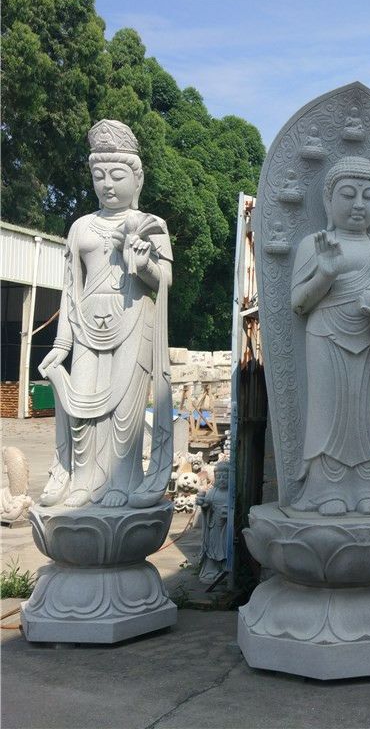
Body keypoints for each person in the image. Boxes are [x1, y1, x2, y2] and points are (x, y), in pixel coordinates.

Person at [39, 119, 173, 509]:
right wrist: (61, 344)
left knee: (123, 414)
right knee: (80, 411)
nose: (107, 185)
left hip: (133, 320)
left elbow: (164, 280)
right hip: (85, 324)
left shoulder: (151, 225)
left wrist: (142, 262)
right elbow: (70, 288)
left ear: (137, 179)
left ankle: (122, 481)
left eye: (117, 175)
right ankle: (82, 482)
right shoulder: (80, 227)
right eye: (99, 176)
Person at [290, 156, 370, 515]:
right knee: (327, 415)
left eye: (369, 196)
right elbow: (298, 303)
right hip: (325, 337)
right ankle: (325, 490)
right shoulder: (315, 244)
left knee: (366, 416)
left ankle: (369, 487)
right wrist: (325, 274)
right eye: (348, 194)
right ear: (328, 201)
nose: (359, 204)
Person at [196, 461, 229, 583]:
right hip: (214, 526)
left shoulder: (231, 494)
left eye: (225, 477)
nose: (222, 480)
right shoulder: (212, 492)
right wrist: (203, 504)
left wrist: (229, 513)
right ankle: (211, 570)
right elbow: (207, 505)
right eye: (219, 477)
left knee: (226, 548)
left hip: (226, 527)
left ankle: (225, 570)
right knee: (212, 548)